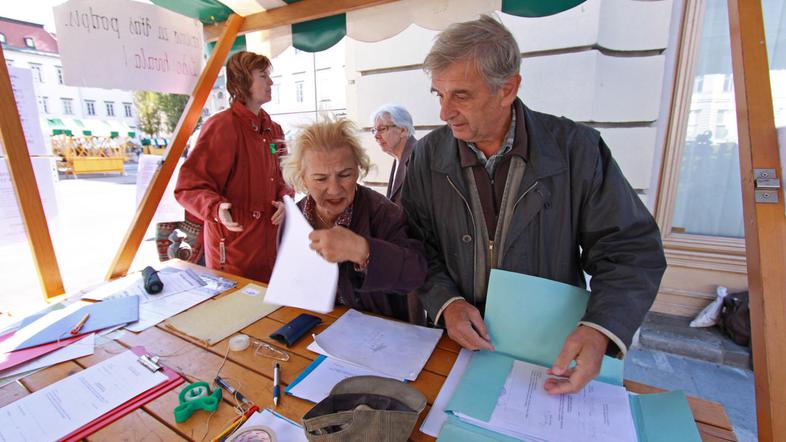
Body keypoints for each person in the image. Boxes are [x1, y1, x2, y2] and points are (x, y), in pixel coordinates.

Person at [402, 16, 667, 394]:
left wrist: (600, 328)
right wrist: (447, 302)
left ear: (507, 89)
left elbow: (630, 251)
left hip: (550, 355)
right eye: (438, 94)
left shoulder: (577, 150)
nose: (444, 113)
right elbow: (415, 243)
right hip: (457, 345)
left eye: (461, 95)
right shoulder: (428, 155)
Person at [279, 119, 427, 322]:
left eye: (345, 174)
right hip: (314, 328)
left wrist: (364, 250)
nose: (334, 189)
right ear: (302, 178)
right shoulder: (294, 217)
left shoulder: (384, 213)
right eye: (321, 179)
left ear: (358, 170)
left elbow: (416, 273)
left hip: (378, 334)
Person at [175, 51, 292, 282]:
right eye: (263, 76)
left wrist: (285, 199)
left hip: (270, 245)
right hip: (233, 251)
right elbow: (188, 187)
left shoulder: (274, 129)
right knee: (236, 309)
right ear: (242, 81)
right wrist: (215, 208)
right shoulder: (222, 126)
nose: (270, 82)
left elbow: (285, 177)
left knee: (269, 309)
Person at [371, 104, 417, 205]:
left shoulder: (417, 157)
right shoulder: (398, 157)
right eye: (374, 130)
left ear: (402, 130)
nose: (376, 136)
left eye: (382, 129)